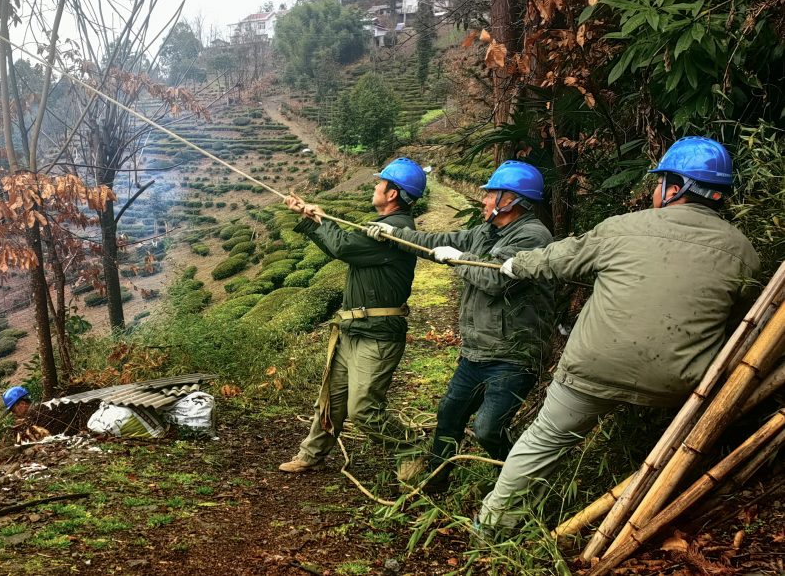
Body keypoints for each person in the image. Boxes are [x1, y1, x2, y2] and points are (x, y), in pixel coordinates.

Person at [477, 136, 760, 531]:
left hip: (595, 367)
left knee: (543, 440)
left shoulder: (623, 228)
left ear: (675, 187)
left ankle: (493, 525)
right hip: (680, 385)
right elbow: (740, 321)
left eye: (659, 182)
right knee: (679, 443)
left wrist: (514, 265)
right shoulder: (743, 250)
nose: (655, 190)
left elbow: (559, 260)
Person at [364, 160, 555, 488]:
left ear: (511, 200)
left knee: (488, 429)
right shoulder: (487, 230)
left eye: (491, 195)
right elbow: (441, 239)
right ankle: (437, 481)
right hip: (477, 351)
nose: (483, 200)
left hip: (512, 354)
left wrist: (455, 258)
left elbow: (495, 279)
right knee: (449, 414)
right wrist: (394, 234)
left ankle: (521, 487)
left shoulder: (532, 237)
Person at [278, 157, 427, 473]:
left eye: (380, 183)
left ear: (393, 194)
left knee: (364, 410)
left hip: (377, 335)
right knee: (331, 398)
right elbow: (346, 244)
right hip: (354, 328)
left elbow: (343, 246)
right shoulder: (383, 229)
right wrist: (313, 218)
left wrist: (316, 221)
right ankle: (311, 453)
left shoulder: (394, 232)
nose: (375, 186)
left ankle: (412, 445)